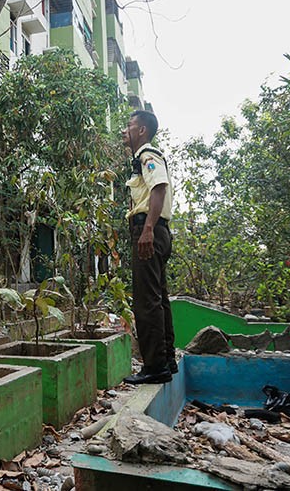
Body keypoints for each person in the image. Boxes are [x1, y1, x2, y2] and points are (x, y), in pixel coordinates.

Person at [121, 110, 177, 385]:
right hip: (157, 230)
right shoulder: (142, 158)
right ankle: (166, 361)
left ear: (141, 130)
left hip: (149, 230)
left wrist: (147, 229)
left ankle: (154, 367)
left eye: (129, 125)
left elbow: (159, 188)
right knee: (158, 298)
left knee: (146, 300)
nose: (124, 131)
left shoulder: (147, 155)